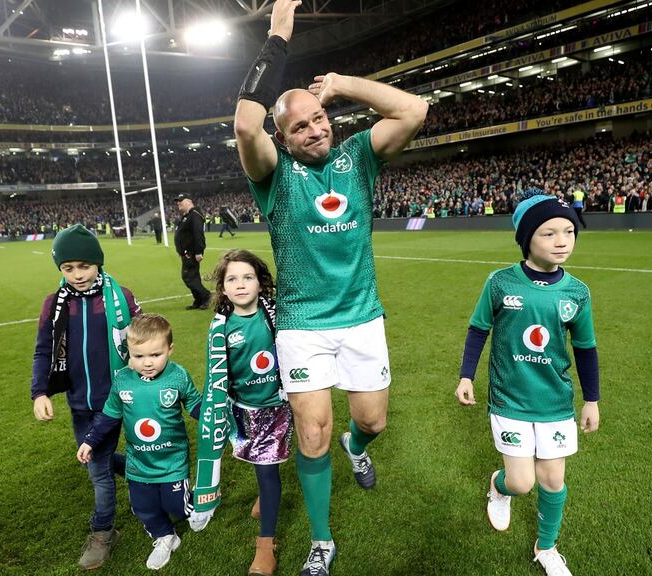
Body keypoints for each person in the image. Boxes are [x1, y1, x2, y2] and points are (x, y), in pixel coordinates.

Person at [232, 1, 428, 573]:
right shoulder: (273, 178)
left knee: (371, 422)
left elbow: (414, 109)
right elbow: (246, 123)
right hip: (302, 326)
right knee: (312, 435)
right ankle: (323, 540)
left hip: (363, 318)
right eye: (300, 126)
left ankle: (358, 448)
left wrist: (343, 84)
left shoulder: (357, 157)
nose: (315, 129)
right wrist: (278, 35)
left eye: (319, 117)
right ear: (284, 139)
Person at [455, 191, 601, 576]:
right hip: (510, 399)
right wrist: (466, 375)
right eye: (549, 233)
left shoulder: (577, 292)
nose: (562, 241)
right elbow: (478, 329)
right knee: (522, 482)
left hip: (555, 401)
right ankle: (499, 487)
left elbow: (586, 349)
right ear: (526, 239)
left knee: (553, 480)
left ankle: (547, 546)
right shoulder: (501, 282)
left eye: (569, 232)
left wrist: (592, 400)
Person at [30, 224, 141, 570]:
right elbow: (43, 351)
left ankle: (103, 531)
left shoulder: (120, 296)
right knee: (100, 461)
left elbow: (142, 339)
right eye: (68, 268)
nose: (77, 275)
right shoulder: (55, 304)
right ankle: (146, 475)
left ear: (98, 263)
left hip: (117, 399)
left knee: (97, 469)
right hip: (79, 401)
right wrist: (40, 392)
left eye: (84, 266)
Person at [189, 250, 293, 576]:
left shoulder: (276, 316)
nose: (240, 284)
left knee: (267, 470)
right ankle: (266, 495)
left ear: (260, 283)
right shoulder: (220, 328)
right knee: (253, 461)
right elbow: (218, 377)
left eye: (248, 277)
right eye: (232, 279)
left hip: (276, 408)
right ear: (222, 287)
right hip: (242, 411)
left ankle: (266, 545)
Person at [77, 313, 202, 570]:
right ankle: (164, 536)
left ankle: (202, 499)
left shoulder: (178, 376)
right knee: (143, 507)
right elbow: (109, 416)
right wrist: (90, 440)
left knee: (178, 508)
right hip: (139, 464)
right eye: (139, 356)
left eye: (155, 355)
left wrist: (213, 421)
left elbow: (195, 404)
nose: (147, 363)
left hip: (172, 462)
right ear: (129, 354)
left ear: (170, 349)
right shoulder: (122, 379)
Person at [174, 194, 211, 310]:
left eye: (181, 201)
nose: (178, 203)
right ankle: (198, 300)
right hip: (186, 253)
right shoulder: (187, 216)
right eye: (177, 201)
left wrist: (199, 251)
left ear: (189, 201)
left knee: (188, 277)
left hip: (191, 253)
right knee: (193, 277)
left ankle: (206, 296)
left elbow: (198, 233)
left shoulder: (194, 215)